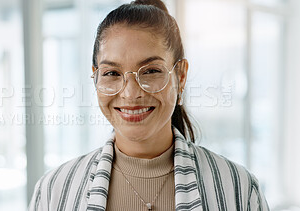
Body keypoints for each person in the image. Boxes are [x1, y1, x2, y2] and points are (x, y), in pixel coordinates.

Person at [29, 0, 269, 210]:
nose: (131, 93)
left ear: (181, 75)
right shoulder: (53, 191)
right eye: (112, 73)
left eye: (151, 71)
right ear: (96, 77)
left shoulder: (239, 189)